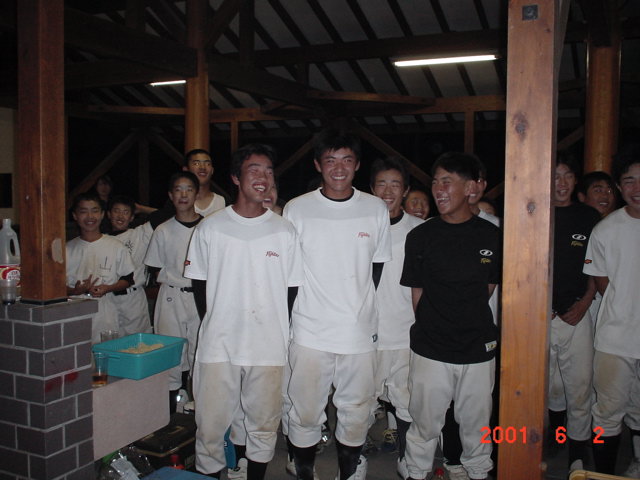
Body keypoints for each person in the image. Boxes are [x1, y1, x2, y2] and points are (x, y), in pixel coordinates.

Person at [185, 144, 303, 480]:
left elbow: (292, 289)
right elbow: (199, 284)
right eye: (254, 169)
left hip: (267, 346)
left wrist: (274, 328)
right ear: (236, 177)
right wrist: (218, 321)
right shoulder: (211, 228)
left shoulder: (284, 230)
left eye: (268, 170)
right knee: (210, 425)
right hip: (218, 345)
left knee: (263, 426)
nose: (263, 177)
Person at [283, 130, 391, 480]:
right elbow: (289, 273)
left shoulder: (375, 208)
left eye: (347, 160)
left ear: (357, 165)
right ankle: (305, 471)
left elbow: (376, 267)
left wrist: (357, 307)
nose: (339, 168)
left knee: (356, 411)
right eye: (330, 160)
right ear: (318, 165)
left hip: (358, 333)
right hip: (309, 330)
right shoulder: (297, 208)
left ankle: (348, 472)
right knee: (304, 411)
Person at [400, 152, 501, 480]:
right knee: (424, 425)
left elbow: (487, 288)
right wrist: (436, 325)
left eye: (447, 181)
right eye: (435, 182)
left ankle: (479, 472)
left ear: (471, 187)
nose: (438, 189)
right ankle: (416, 472)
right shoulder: (421, 236)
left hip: (478, 347)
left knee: (477, 425)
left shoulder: (493, 236)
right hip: (431, 348)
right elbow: (417, 292)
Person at [584, 144, 640, 477]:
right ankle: (604, 473)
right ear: (620, 186)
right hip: (615, 339)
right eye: (629, 181)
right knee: (606, 412)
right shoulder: (605, 230)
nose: (637, 188)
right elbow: (602, 282)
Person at [369, 157, 423, 479]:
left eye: (395, 184)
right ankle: (354, 462)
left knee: (406, 401)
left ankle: (407, 458)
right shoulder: (360, 226)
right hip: (366, 335)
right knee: (360, 404)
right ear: (371, 188)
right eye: (381, 184)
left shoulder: (418, 230)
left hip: (405, 332)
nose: (388, 191)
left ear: (405, 190)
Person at [547, 157, 601, 472]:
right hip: (540, 316)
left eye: (567, 175)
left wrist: (585, 302)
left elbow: (597, 264)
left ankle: (577, 455)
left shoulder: (588, 216)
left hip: (578, 314)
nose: (562, 182)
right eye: (555, 176)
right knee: (550, 387)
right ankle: (556, 436)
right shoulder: (534, 213)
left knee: (580, 387)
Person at [144, 171, 203, 413]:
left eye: (189, 189)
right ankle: (169, 410)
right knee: (170, 349)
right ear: (170, 195)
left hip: (200, 296)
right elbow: (154, 267)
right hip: (171, 294)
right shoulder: (163, 230)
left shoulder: (208, 227)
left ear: (196, 193)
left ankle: (198, 403)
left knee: (200, 350)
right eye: (178, 189)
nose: (183, 194)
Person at [66, 193, 135, 343]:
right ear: (75, 216)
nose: (90, 216)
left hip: (105, 310)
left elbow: (128, 279)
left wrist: (108, 288)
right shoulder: (67, 249)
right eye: (83, 211)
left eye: (95, 211)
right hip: (73, 310)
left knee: (104, 352)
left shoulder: (116, 246)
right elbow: (56, 287)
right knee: (76, 352)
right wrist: (74, 291)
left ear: (102, 214)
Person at [107, 195, 153, 336]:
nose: (120, 216)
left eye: (126, 212)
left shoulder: (139, 234)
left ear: (132, 217)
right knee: (110, 341)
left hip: (133, 299)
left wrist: (141, 208)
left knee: (138, 342)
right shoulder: (101, 239)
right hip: (108, 298)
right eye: (116, 211)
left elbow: (167, 214)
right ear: (108, 214)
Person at [149, 149, 226, 228]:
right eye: (196, 163)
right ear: (186, 169)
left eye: (207, 164)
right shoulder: (178, 201)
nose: (202, 167)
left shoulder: (223, 201)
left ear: (212, 170)